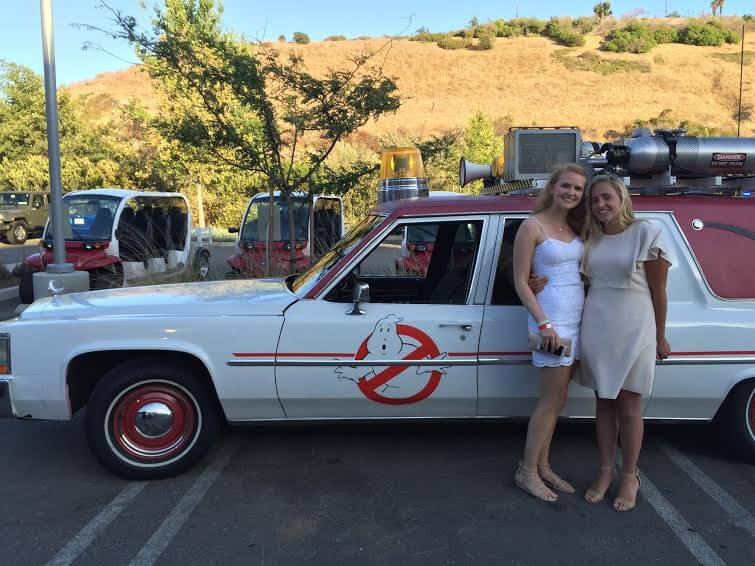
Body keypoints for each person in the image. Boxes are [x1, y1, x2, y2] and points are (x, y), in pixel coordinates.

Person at [575, 175, 671, 512]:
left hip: (635, 325)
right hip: (598, 324)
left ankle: (629, 475)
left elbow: (658, 291)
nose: (600, 205)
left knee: (629, 404)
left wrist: (660, 335)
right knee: (603, 402)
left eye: (606, 198)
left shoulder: (647, 232)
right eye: (594, 200)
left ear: (621, 197)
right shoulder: (590, 239)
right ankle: (604, 471)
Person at [512, 163, 587, 502]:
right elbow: (520, 282)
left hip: (574, 323)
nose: (571, 193)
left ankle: (543, 465)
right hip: (550, 328)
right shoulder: (532, 226)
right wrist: (544, 324)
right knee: (549, 399)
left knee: (559, 399)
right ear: (553, 187)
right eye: (566, 186)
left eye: (578, 189)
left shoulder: (573, 227)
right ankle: (527, 471)